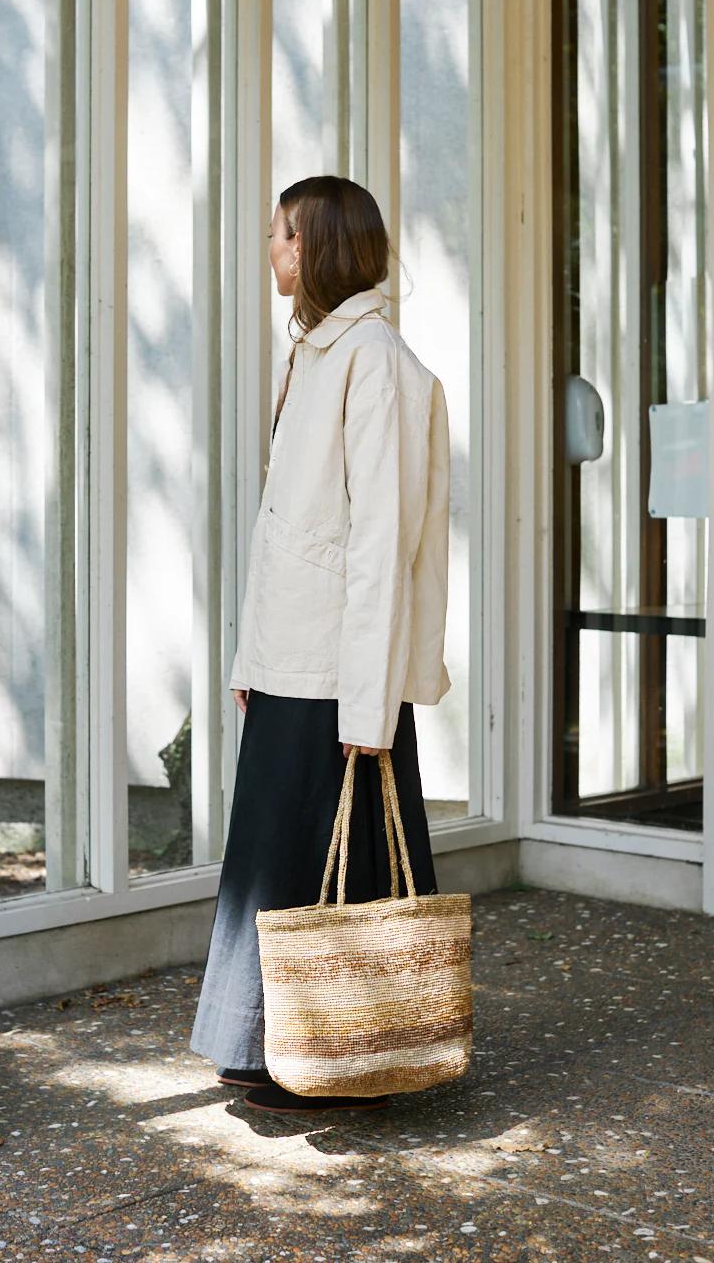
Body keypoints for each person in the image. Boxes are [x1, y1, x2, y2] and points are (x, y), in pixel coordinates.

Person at [189, 175, 452, 1114]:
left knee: (322, 862)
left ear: (324, 249)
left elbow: (383, 537)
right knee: (272, 855)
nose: (272, 249)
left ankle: (346, 1057)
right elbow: (286, 529)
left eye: (284, 237)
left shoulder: (370, 358)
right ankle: (266, 1048)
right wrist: (248, 664)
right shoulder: (309, 351)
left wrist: (369, 703)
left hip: (341, 672)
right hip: (290, 662)